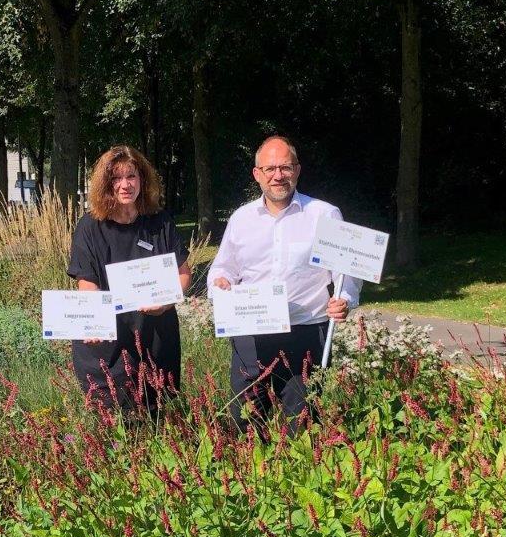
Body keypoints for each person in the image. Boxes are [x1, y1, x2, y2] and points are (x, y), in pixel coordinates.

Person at [207, 135, 362, 431]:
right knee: (245, 425)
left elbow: (345, 271)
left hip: (305, 333)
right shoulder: (241, 219)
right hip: (251, 335)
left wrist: (344, 298)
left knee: (302, 428)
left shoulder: (324, 214)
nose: (278, 176)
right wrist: (220, 285)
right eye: (270, 169)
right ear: (257, 174)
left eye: (285, 167)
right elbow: (222, 269)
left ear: (297, 170)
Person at [68, 145, 192, 410]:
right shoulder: (89, 227)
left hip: (156, 338)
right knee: (116, 421)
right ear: (106, 184)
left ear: (142, 179)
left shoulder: (160, 222)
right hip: (110, 343)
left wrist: (166, 303)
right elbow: (87, 282)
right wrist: (94, 321)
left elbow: (183, 273)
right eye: (116, 178)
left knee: (158, 416)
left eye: (131, 176)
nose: (125, 185)